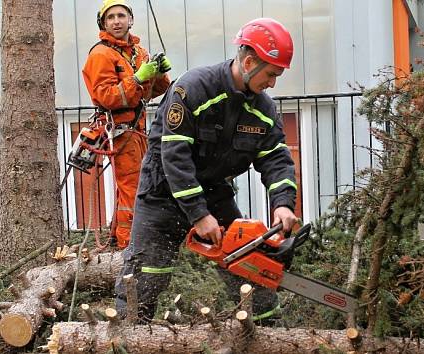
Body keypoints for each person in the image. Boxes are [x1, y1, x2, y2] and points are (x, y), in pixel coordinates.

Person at [115, 17, 299, 323]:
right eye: (270, 74)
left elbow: (275, 157)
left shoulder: (264, 110)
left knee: (251, 267)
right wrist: (198, 215)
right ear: (250, 61)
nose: (272, 83)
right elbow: (174, 157)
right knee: (145, 279)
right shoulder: (194, 89)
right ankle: (124, 338)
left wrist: (282, 205)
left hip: (215, 193)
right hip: (163, 194)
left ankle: (271, 335)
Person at [82, 0, 171, 249]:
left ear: (130, 20)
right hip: (121, 131)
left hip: (137, 130)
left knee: (134, 187)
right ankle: (131, 246)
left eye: (121, 15)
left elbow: (150, 92)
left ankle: (121, 239)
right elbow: (106, 96)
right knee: (133, 188)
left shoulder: (138, 52)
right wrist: (137, 78)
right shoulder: (101, 54)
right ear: (103, 23)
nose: (117, 21)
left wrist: (160, 75)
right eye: (111, 17)